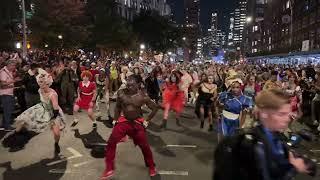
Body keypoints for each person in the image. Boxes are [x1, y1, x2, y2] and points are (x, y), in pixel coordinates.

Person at [213, 89, 312, 180]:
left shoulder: (275, 137)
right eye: (281, 114)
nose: (287, 118)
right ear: (264, 113)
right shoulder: (253, 145)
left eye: (288, 113)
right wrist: (294, 168)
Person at [101, 75, 159, 179]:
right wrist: (115, 119)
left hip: (137, 122)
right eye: (128, 84)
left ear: (138, 84)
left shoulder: (143, 96)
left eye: (132, 85)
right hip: (124, 121)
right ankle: (109, 169)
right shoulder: (121, 93)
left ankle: (151, 166)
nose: (129, 87)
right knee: (111, 142)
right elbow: (118, 106)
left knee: (145, 146)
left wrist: (147, 120)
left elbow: (155, 108)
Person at [4, 69, 65, 154]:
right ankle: (15, 138)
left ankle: (56, 144)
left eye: (41, 82)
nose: (39, 84)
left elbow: (55, 109)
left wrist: (52, 120)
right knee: (23, 119)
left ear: (47, 82)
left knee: (56, 133)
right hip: (41, 107)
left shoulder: (53, 95)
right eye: (39, 82)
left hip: (53, 112)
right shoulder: (40, 90)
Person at [0, 60, 17, 130]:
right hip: (5, 94)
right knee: (8, 110)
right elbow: (2, 84)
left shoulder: (9, 71)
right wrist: (13, 81)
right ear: (9, 65)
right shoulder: (3, 72)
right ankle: (7, 125)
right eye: (13, 65)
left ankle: (4, 124)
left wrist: (13, 86)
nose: (14, 67)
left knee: (7, 110)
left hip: (9, 93)